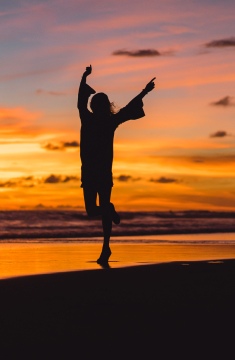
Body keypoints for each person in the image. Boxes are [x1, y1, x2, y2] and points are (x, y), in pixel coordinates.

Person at [78, 64, 155, 264]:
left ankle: (106, 248)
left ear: (99, 106)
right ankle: (109, 212)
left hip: (98, 173)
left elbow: (80, 103)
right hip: (94, 173)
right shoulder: (96, 120)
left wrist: (84, 79)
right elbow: (128, 108)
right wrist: (144, 92)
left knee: (97, 210)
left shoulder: (99, 121)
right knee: (94, 210)